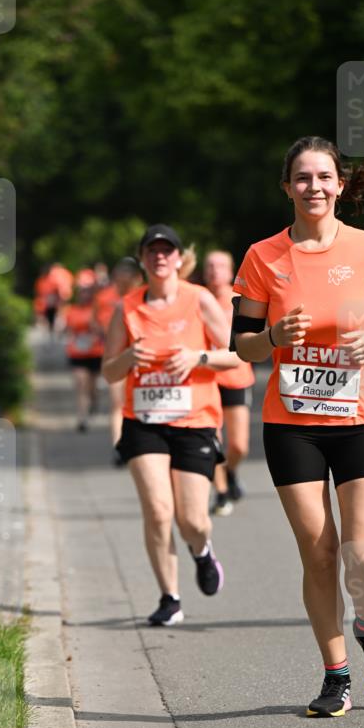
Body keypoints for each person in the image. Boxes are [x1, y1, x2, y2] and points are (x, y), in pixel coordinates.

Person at [232, 135, 364, 717]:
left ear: (339, 184)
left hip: (361, 419)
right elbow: (242, 345)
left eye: (324, 177)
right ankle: (336, 676)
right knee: (320, 553)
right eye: (302, 178)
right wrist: (274, 338)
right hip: (293, 425)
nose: (314, 187)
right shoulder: (262, 257)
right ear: (287, 188)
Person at [102, 223, 239, 625]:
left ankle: (201, 550)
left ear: (180, 259)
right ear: (143, 260)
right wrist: (129, 359)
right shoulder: (126, 308)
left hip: (194, 421)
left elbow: (237, 354)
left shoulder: (198, 300)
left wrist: (198, 357)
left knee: (192, 519)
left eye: (167, 250)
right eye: (152, 251)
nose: (160, 257)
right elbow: (109, 371)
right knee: (159, 511)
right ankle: (170, 597)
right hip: (143, 421)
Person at [204, 249, 256, 515]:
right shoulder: (198, 299)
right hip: (206, 380)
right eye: (210, 265)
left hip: (236, 378)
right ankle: (221, 492)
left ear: (231, 270)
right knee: (213, 440)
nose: (214, 270)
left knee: (238, 446)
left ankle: (230, 471)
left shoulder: (240, 299)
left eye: (219, 266)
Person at [93, 257, 144, 458]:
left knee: (136, 403)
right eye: (118, 279)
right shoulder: (105, 296)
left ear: (137, 278)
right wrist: (107, 333)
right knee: (117, 403)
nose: (121, 283)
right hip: (117, 354)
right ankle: (119, 446)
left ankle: (138, 442)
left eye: (126, 279)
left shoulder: (145, 298)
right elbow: (94, 320)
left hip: (143, 357)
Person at [61, 272, 101, 432]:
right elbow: (67, 329)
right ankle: (82, 417)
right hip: (77, 352)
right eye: (81, 292)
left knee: (91, 387)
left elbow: (104, 330)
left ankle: (93, 402)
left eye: (87, 291)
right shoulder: (71, 310)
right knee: (80, 383)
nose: (84, 294)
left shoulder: (97, 310)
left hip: (95, 352)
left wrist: (94, 328)